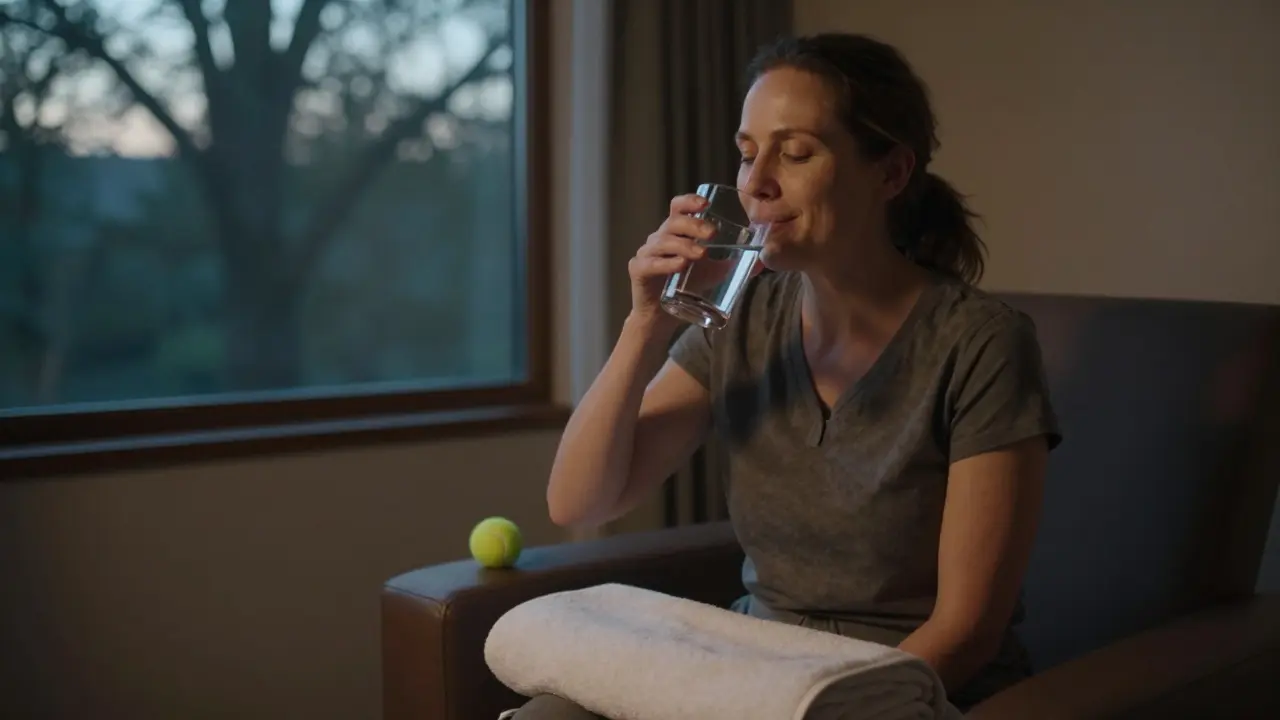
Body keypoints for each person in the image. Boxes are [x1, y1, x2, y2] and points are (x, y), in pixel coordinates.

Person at [515, 32, 1061, 718]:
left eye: (796, 153)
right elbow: (580, 502)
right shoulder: (739, 319)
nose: (755, 181)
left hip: (905, 684)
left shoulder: (981, 344)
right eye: (747, 154)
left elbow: (967, 633)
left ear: (890, 173)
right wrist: (646, 326)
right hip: (758, 665)